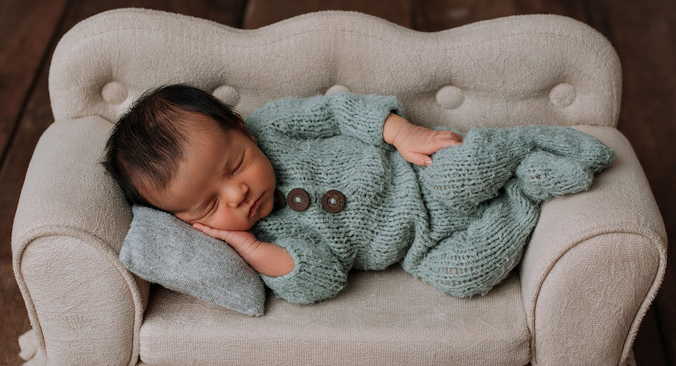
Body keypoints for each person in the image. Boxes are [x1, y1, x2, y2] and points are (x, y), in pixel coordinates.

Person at [104, 84, 613, 305]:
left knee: (462, 175)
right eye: (209, 207)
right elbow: (319, 279)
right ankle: (525, 194)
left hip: (419, 173)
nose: (236, 194)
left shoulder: (274, 125)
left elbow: (338, 113)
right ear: (190, 223)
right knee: (462, 276)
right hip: (419, 247)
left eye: (234, 166)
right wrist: (247, 247)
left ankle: (532, 143)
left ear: (241, 129)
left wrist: (401, 133)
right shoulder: (267, 235)